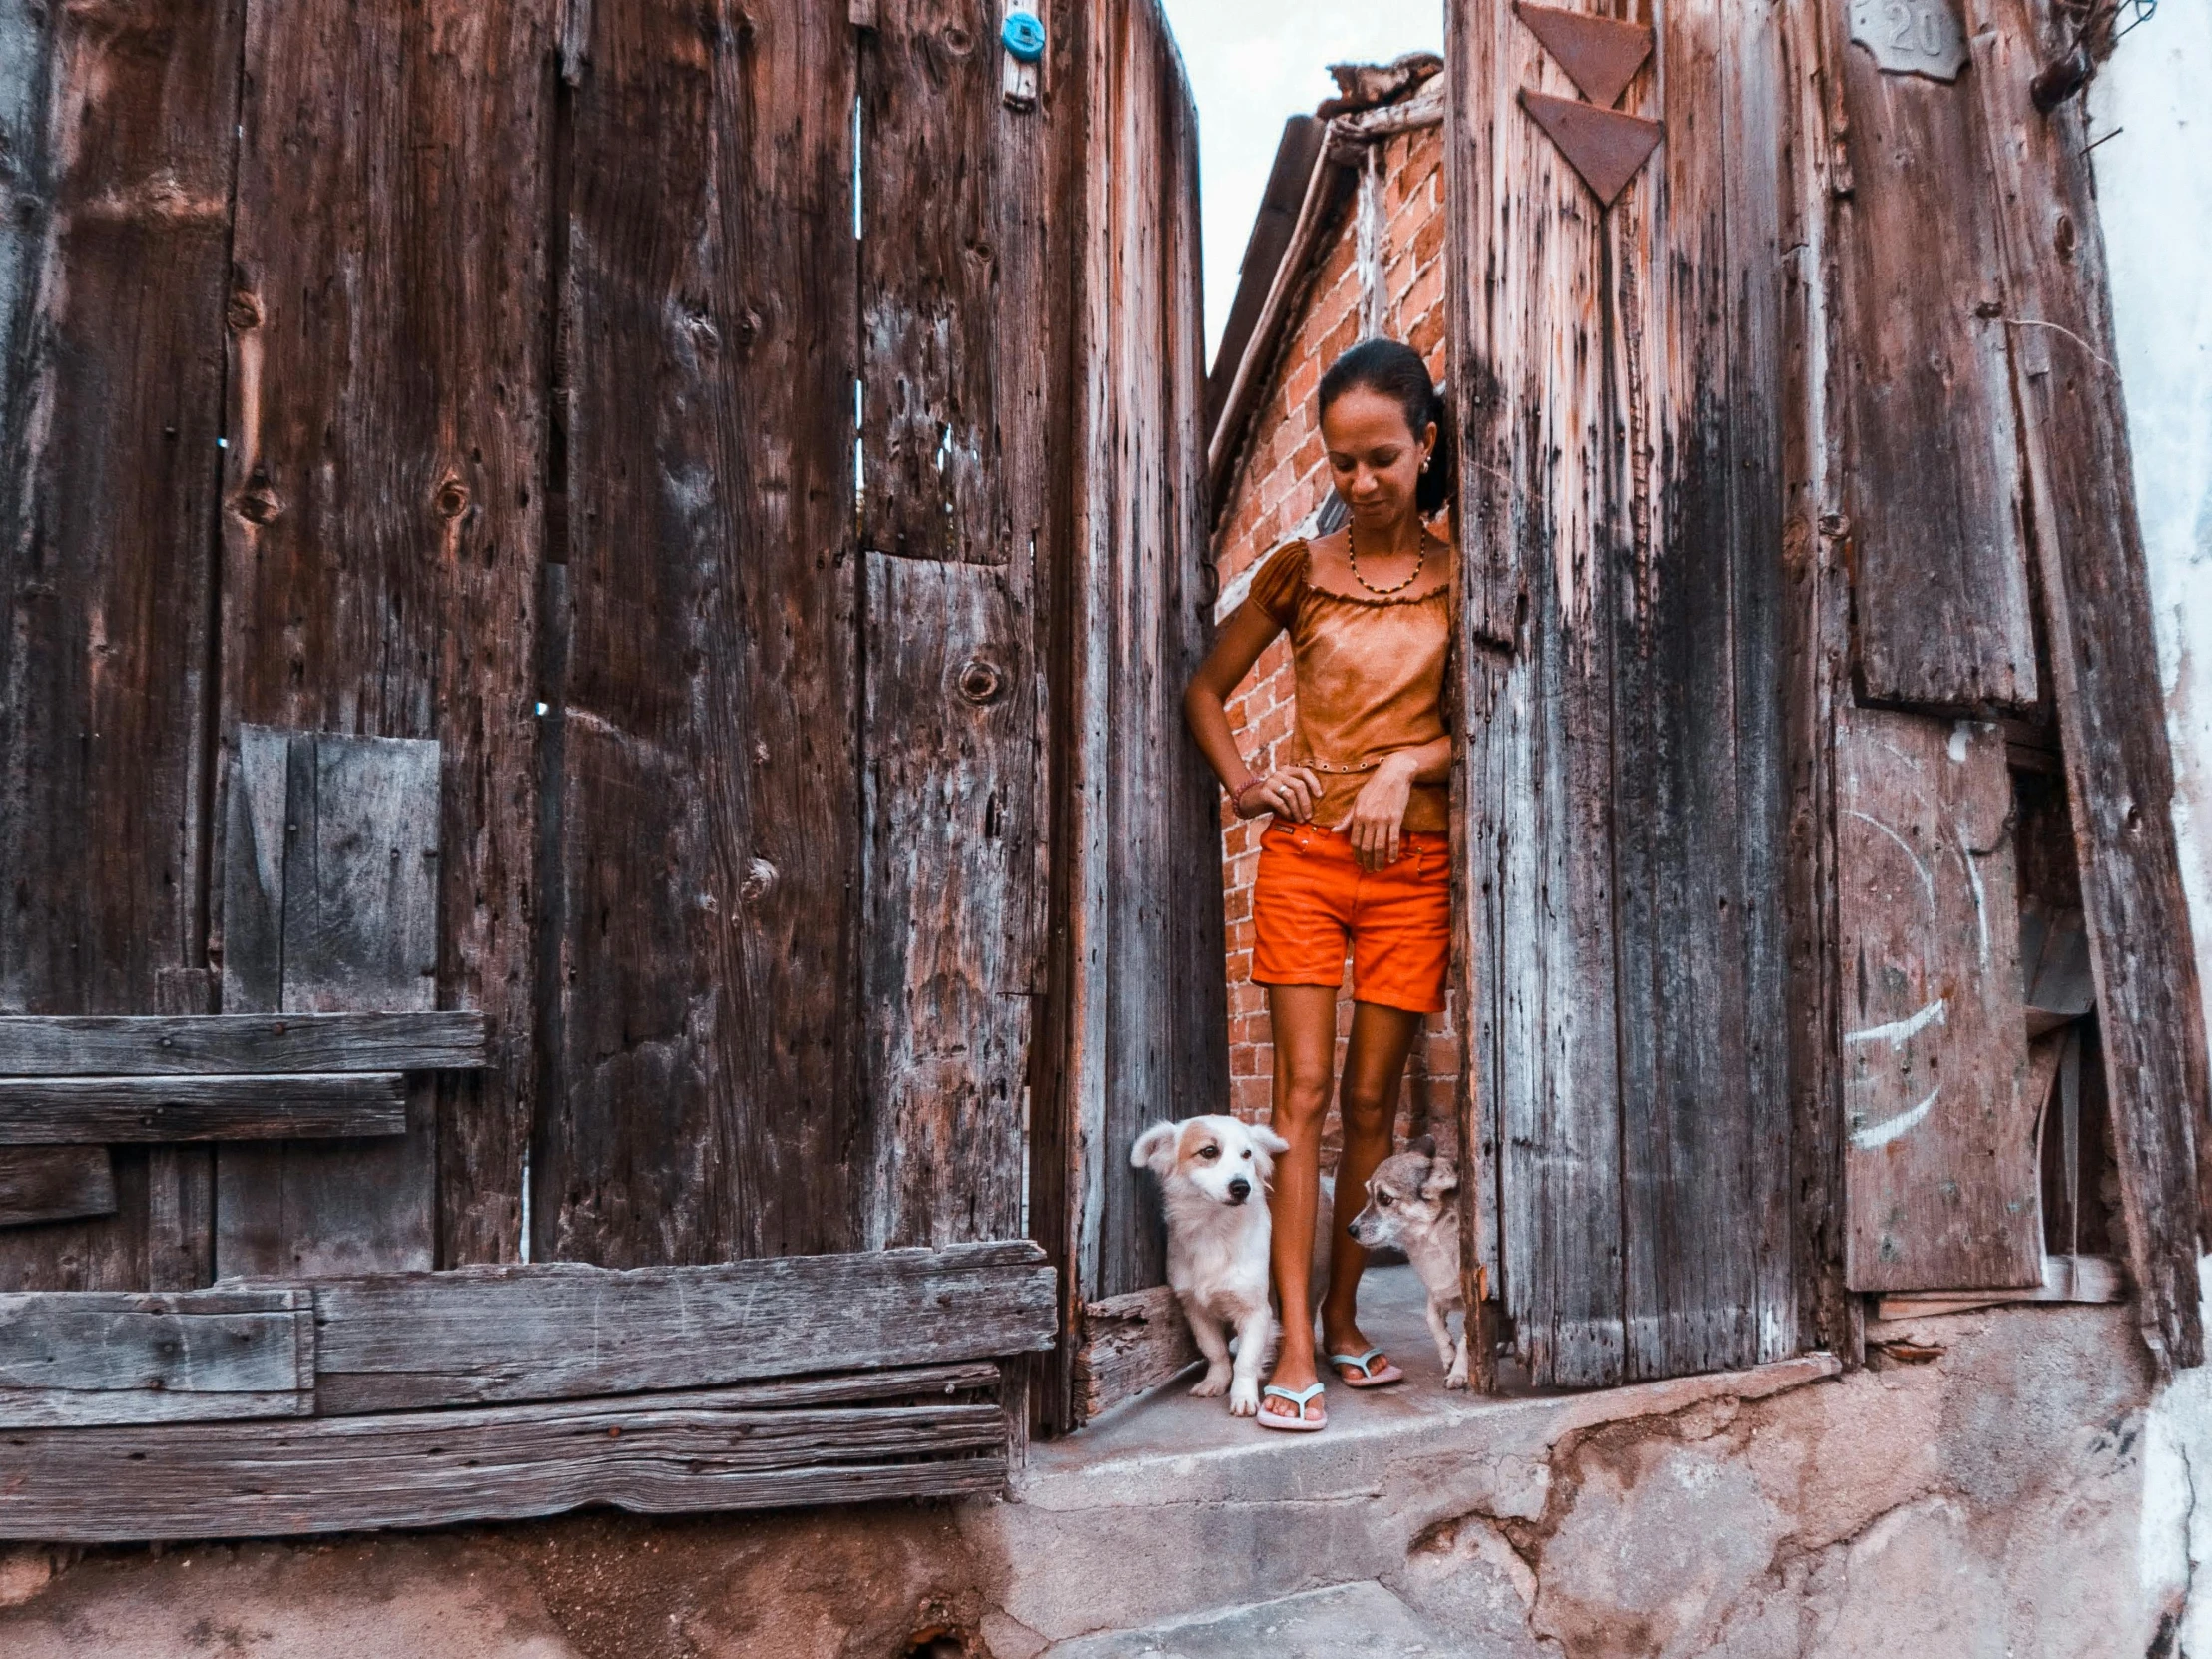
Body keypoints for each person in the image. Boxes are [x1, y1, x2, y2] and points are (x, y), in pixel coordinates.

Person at [1183, 337, 1456, 1432]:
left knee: (1369, 1106)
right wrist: (1248, 784)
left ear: (1424, 446)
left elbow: (1476, 723)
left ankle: (1343, 1319)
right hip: (1302, 860)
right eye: (1340, 464)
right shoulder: (1299, 574)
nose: (1360, 484)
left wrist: (1403, 761)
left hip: (1410, 866)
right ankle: (1294, 1343)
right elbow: (1207, 689)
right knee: (1296, 1104)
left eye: (1382, 459)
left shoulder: (1457, 582)